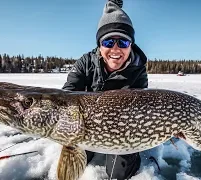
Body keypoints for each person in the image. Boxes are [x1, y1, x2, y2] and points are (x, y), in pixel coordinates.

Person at [62, 0, 148, 179]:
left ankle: (135, 157)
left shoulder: (138, 70)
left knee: (118, 173)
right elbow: (67, 95)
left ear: (130, 45)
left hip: (125, 128)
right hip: (86, 125)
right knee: (80, 159)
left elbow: (141, 108)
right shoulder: (85, 63)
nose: (115, 49)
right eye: (108, 41)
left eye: (123, 42)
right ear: (100, 45)